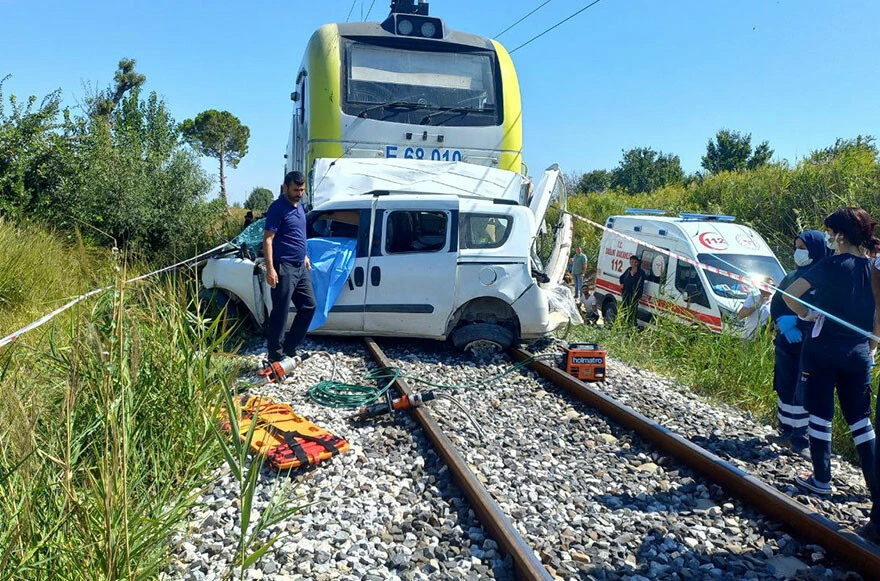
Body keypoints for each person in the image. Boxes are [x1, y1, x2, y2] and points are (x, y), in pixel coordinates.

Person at [782, 207, 878, 504]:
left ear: (840, 235)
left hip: (823, 349)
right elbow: (879, 316)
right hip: (859, 351)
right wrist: (872, 346)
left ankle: (821, 480)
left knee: (821, 415)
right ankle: (875, 489)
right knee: (861, 421)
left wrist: (806, 314)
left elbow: (789, 295)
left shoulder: (830, 264)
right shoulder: (874, 268)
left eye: (830, 232)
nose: (829, 237)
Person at [767, 231, 832, 457]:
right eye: (796, 247)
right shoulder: (792, 276)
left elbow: (822, 312)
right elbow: (777, 302)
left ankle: (801, 438)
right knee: (784, 386)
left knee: (803, 391)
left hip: (810, 344)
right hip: (787, 344)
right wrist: (782, 322)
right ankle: (786, 431)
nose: (798, 252)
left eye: (803, 248)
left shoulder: (825, 278)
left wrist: (798, 320)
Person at [263, 171, 317, 363]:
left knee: (309, 306)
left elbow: (298, 235)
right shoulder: (277, 208)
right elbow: (268, 240)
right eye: (295, 190)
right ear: (285, 187)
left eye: (302, 190)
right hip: (283, 267)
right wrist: (270, 269)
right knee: (280, 312)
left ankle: (289, 347)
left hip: (300, 267)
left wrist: (305, 255)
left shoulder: (299, 206)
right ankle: (275, 357)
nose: (299, 194)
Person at [619, 255, 645, 327]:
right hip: (626, 293)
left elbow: (639, 284)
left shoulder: (641, 272)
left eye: (635, 262)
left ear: (638, 263)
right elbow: (621, 278)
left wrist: (633, 275)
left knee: (633, 310)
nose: (633, 264)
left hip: (634, 295)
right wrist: (622, 285)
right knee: (625, 309)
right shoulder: (628, 270)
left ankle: (632, 324)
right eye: (632, 262)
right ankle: (624, 324)